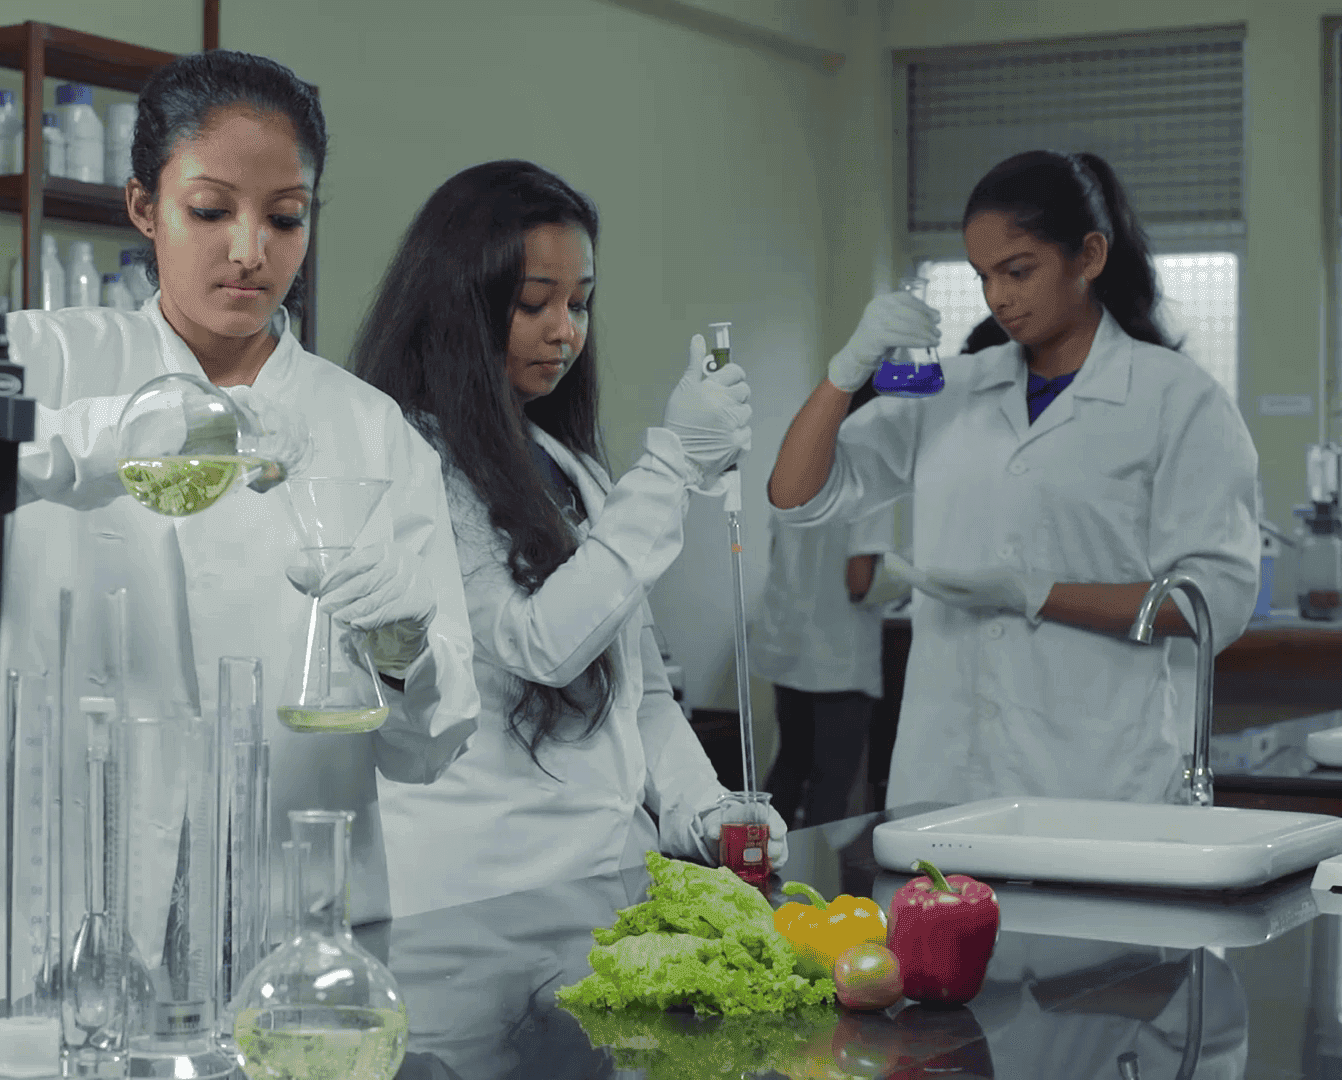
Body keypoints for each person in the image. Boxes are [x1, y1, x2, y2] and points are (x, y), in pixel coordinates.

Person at [0, 50, 482, 1017]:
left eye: (285, 217)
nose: (249, 251)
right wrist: (98, 439)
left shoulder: (371, 431)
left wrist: (404, 653)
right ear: (145, 208)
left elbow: (430, 744)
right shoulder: (41, 356)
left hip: (282, 901)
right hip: (62, 885)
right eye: (211, 209)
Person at [350, 159, 786, 919]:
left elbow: (642, 693)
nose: (566, 331)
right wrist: (673, 463)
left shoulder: (569, 466)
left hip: (600, 883)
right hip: (478, 896)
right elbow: (540, 643)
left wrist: (705, 809)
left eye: (580, 303)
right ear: (460, 306)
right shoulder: (409, 461)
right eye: (533, 303)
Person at [768, 149, 1260, 808]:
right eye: (982, 276)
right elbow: (795, 494)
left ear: (1088, 256)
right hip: (947, 772)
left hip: (1096, 776)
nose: (998, 297)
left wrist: (1035, 592)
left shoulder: (1179, 400)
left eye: (1018, 271)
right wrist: (845, 369)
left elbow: (1215, 602)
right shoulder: (954, 387)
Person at [751, 382, 899, 828]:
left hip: (788, 644)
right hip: (838, 655)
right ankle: (817, 889)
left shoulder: (801, 460)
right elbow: (859, 580)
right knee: (832, 783)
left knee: (791, 763)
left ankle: (762, 876)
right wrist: (909, 577)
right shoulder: (871, 471)